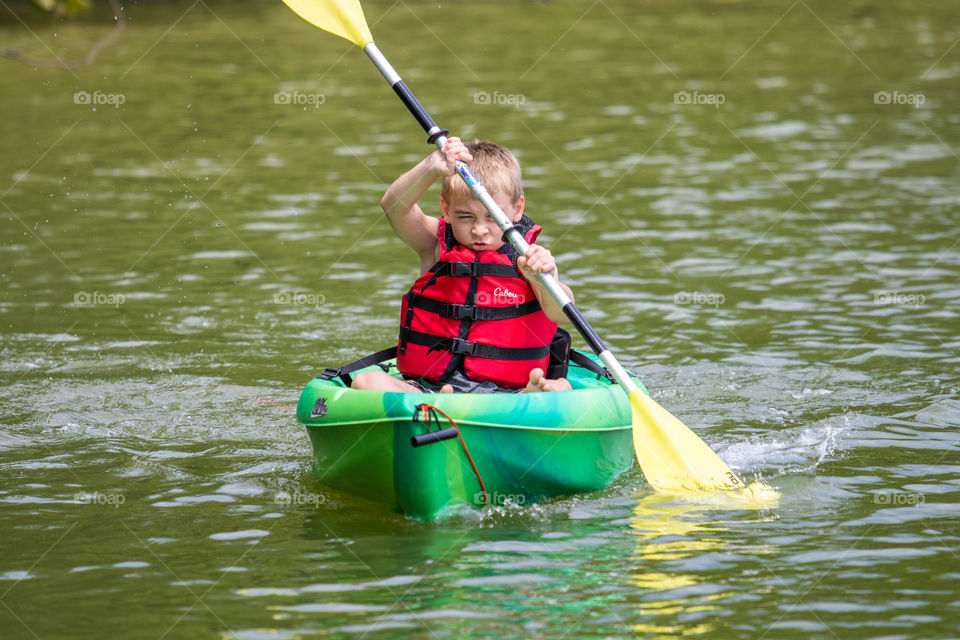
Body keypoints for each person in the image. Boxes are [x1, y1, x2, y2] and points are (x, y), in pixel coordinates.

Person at [352, 137, 574, 394]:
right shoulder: (433, 243)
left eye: (493, 217)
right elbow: (393, 206)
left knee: (562, 387)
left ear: (517, 209)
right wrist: (431, 167)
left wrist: (539, 278)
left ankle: (531, 392)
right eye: (465, 217)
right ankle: (444, 403)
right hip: (431, 388)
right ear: (445, 209)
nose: (479, 230)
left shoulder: (531, 257)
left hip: (508, 393)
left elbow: (562, 313)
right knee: (366, 381)